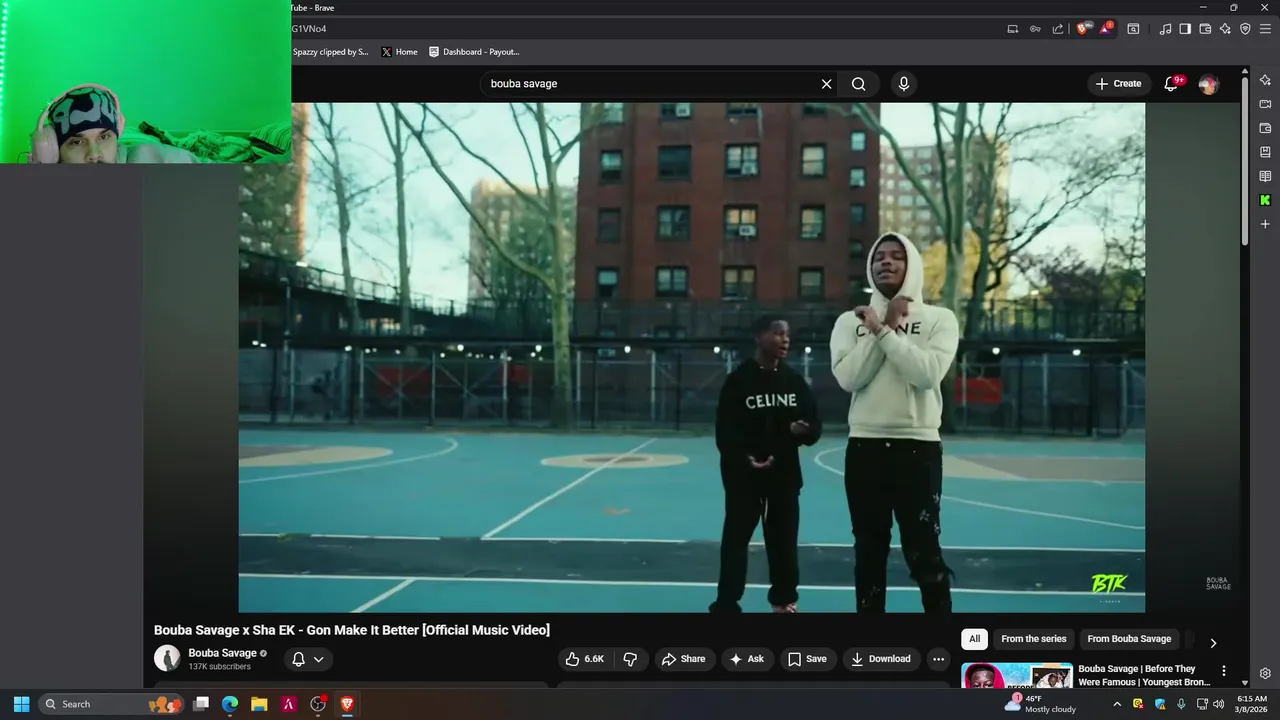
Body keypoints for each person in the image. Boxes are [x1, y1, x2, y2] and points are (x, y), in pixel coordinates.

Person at [829, 232, 960, 613]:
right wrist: (879, 327)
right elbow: (850, 379)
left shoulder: (939, 319)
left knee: (924, 550)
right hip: (865, 447)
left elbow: (927, 374)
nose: (886, 262)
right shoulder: (849, 321)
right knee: (868, 550)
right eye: (879, 257)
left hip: (917, 448)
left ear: (912, 265)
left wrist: (884, 331)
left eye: (896, 256)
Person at [710, 316, 822, 614]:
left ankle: (784, 601)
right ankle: (727, 603)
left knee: (783, 544)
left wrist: (803, 430)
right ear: (759, 337)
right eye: (778, 333)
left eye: (787, 334)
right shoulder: (739, 381)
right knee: (735, 543)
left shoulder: (794, 381)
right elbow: (725, 432)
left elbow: (814, 427)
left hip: (784, 479)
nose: (785, 339)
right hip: (743, 480)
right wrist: (744, 458)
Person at [29, 84, 200, 164]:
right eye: (77, 142)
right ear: (54, 152)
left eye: (104, 137)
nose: (94, 155)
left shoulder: (159, 159)